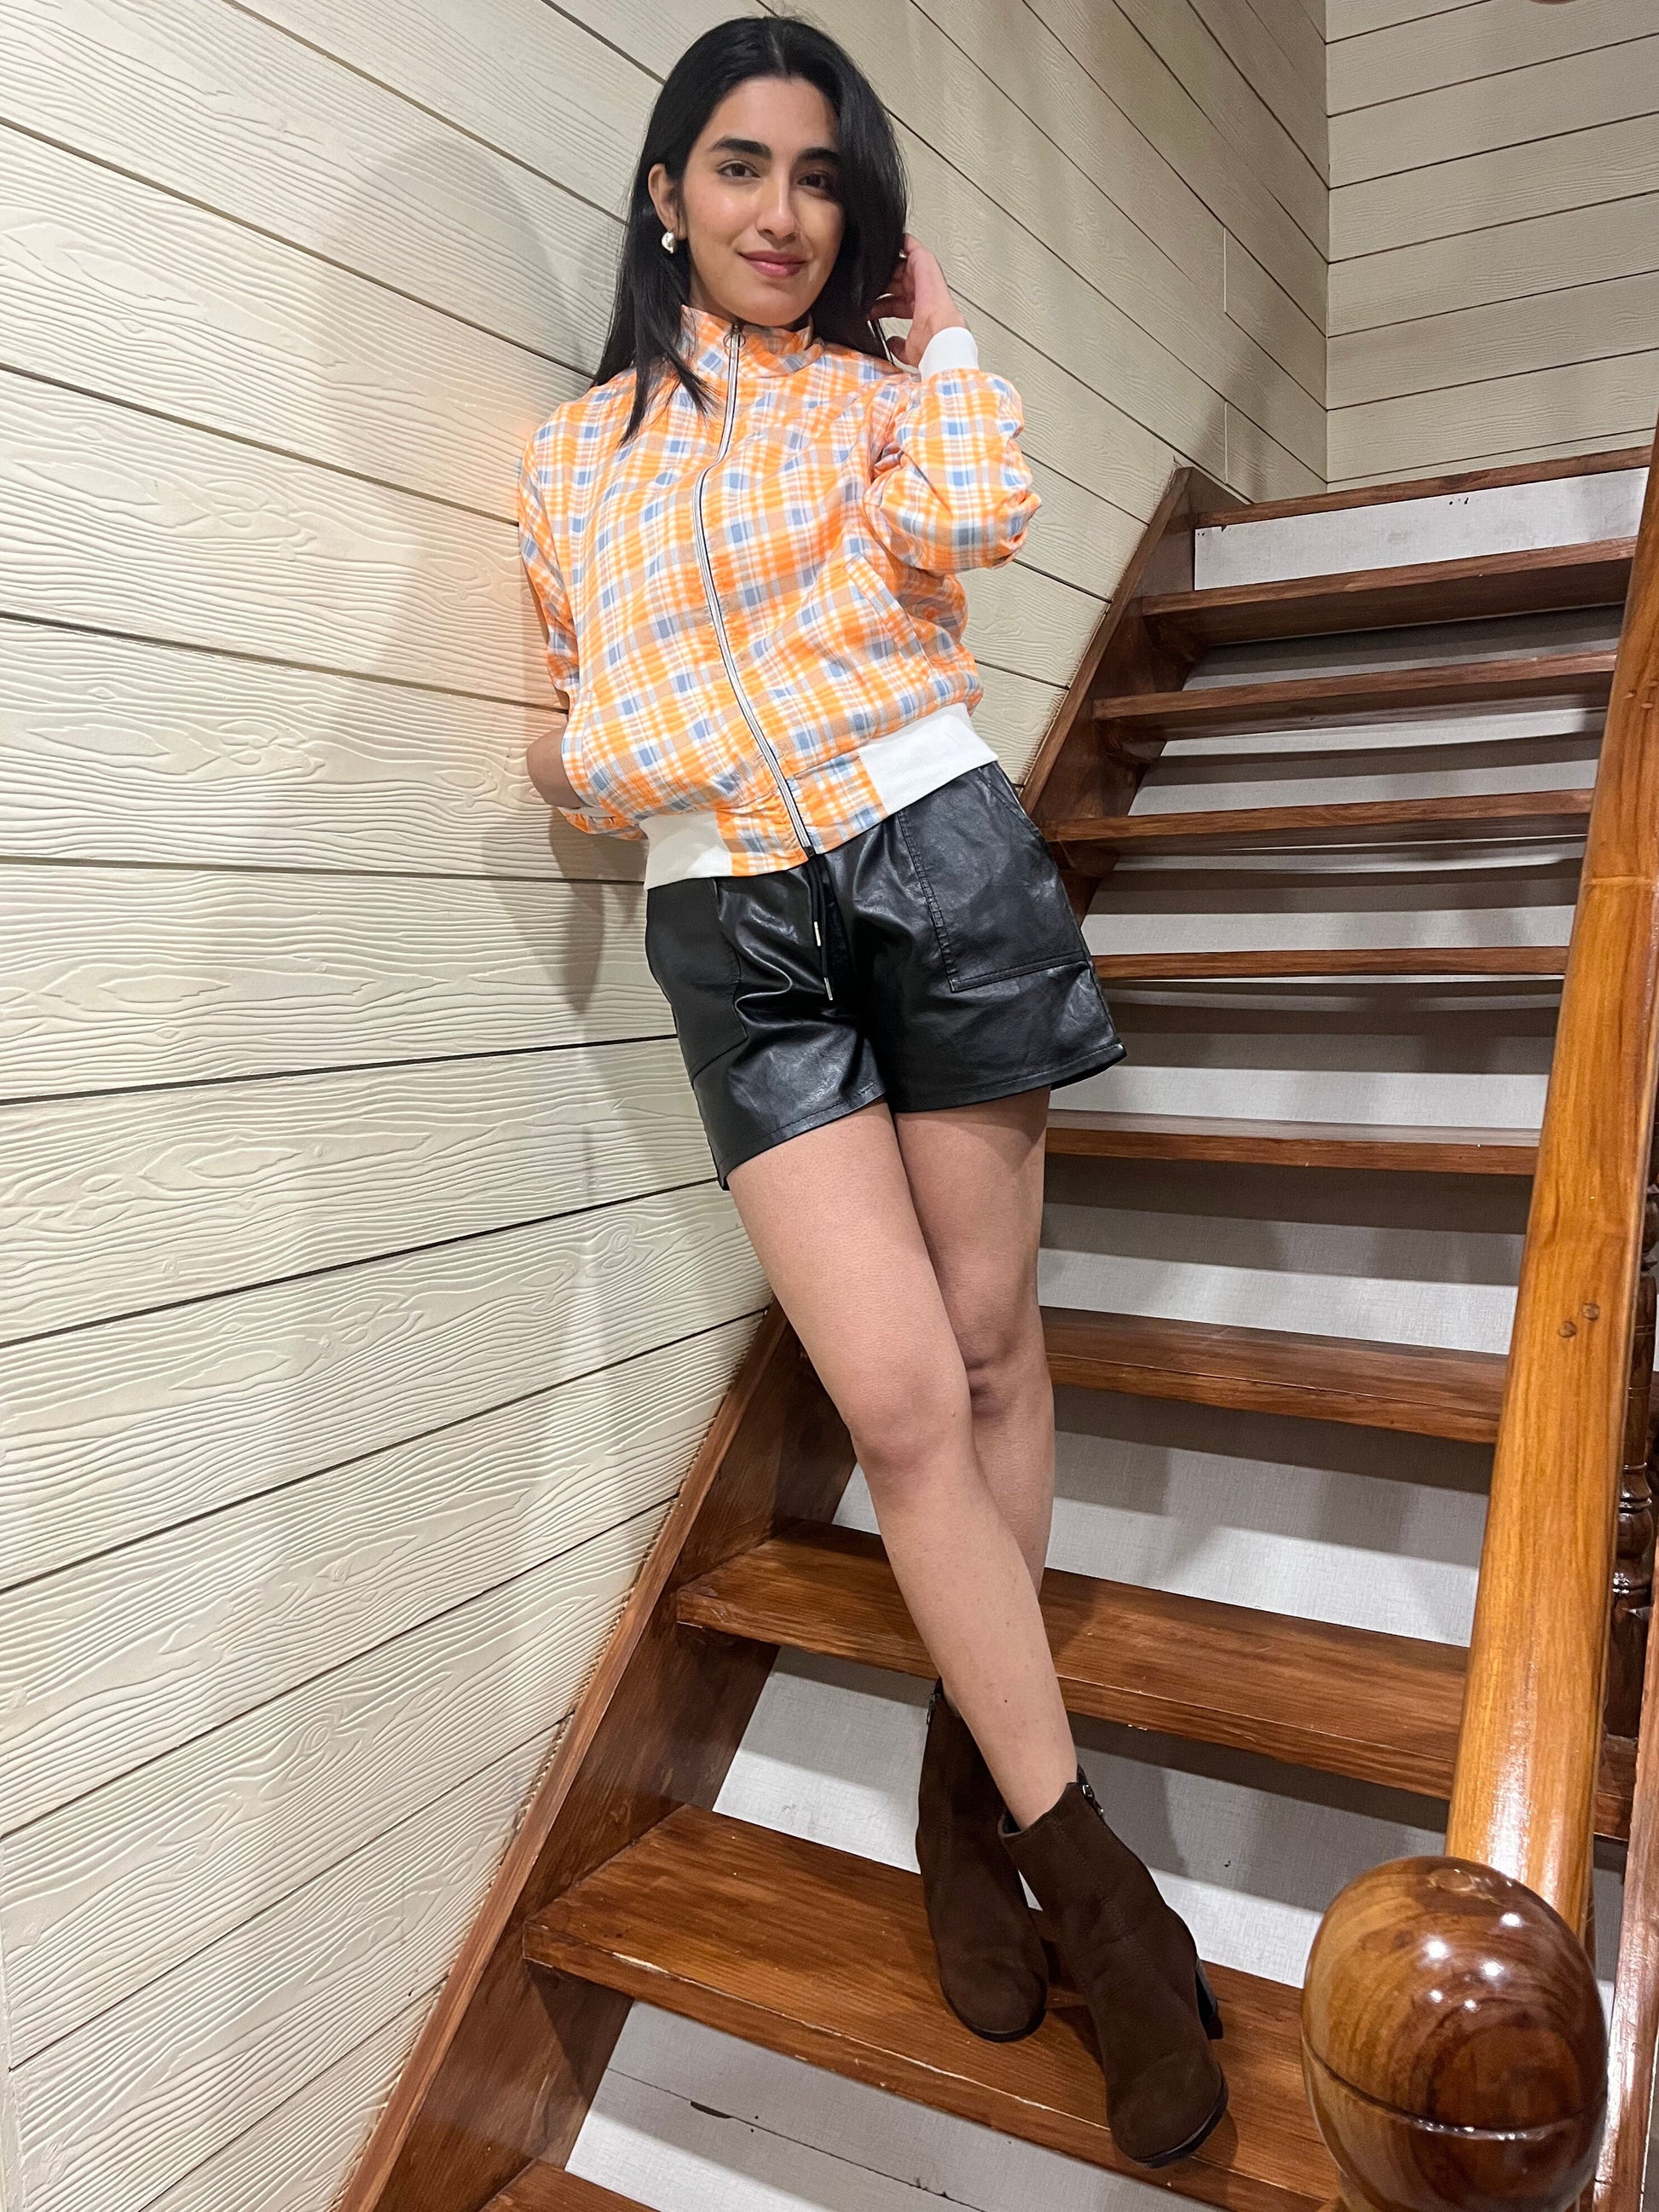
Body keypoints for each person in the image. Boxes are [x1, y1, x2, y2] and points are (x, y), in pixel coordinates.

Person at [515, 14, 1226, 2170]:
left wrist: (944, 333)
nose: (780, 214)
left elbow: (981, 515)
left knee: (993, 1351)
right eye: (739, 167)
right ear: (666, 193)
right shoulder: (568, 460)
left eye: (820, 178)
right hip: (734, 922)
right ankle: (1100, 1884)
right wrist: (628, 751)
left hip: (936, 856)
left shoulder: (880, 395)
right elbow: (572, 733)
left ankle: (965, 1803)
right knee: (900, 1401)